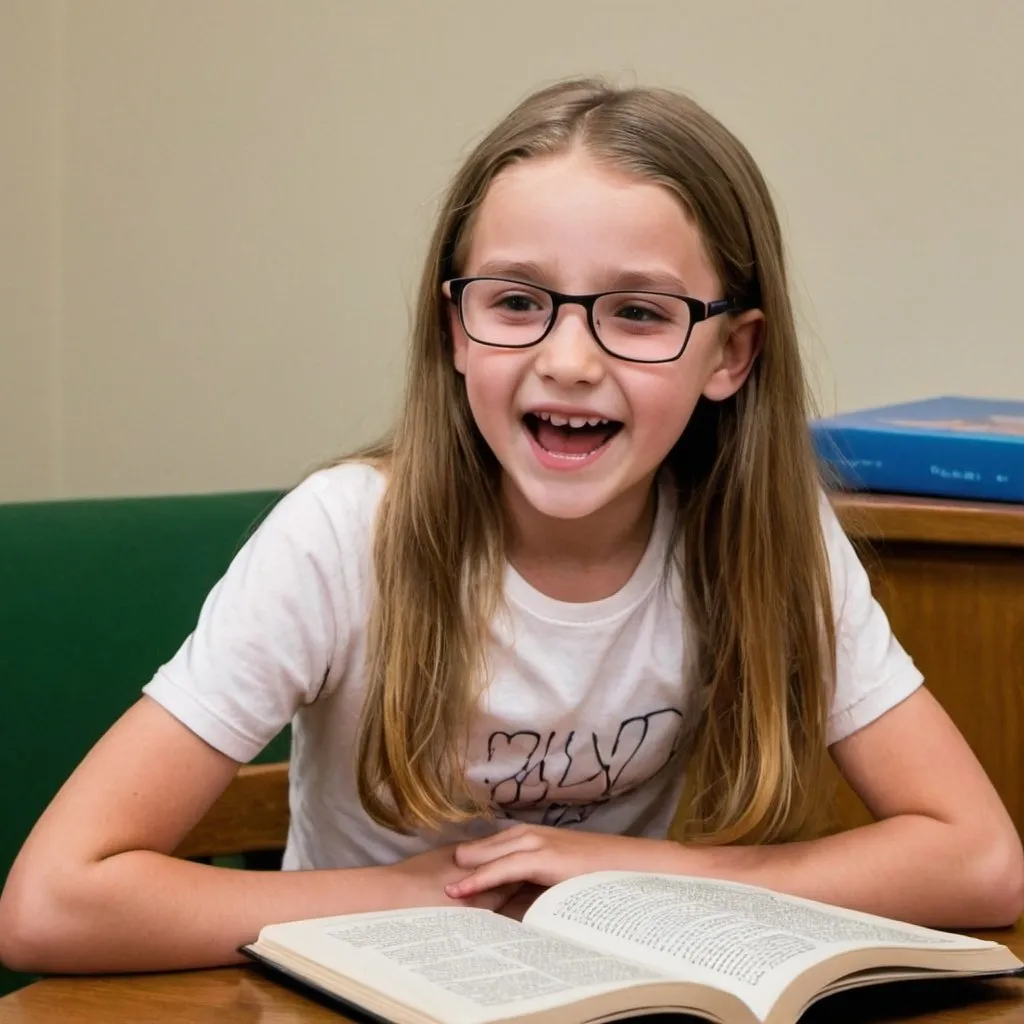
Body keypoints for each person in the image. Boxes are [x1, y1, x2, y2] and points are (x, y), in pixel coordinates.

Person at [1, 78, 1021, 977]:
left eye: (638, 312)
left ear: (731, 355)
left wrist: (649, 870)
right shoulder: (341, 536)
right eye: (517, 301)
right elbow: (53, 901)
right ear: (454, 326)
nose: (569, 359)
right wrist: (407, 890)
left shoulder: (766, 533)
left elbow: (977, 859)